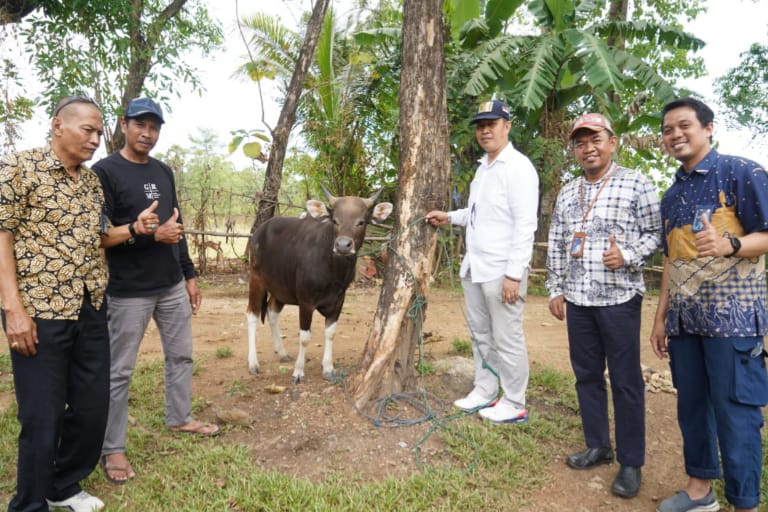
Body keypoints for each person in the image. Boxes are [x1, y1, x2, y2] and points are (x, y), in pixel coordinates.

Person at [0, 96, 159, 512]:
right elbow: (2, 235)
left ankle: (64, 485)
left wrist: (135, 228)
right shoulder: (19, 168)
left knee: (92, 408)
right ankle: (30, 503)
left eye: (98, 131)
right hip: (39, 310)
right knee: (42, 416)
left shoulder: (89, 182)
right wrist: (12, 310)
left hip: (89, 307)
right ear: (58, 125)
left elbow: (101, 237)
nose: (95, 139)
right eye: (87, 130)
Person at [93, 97, 219, 486]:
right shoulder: (104, 172)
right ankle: (112, 447)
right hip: (128, 291)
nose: (148, 133)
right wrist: (146, 233)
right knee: (120, 371)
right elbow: (101, 237)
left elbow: (174, 228)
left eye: (154, 127)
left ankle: (179, 417)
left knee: (181, 356)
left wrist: (189, 275)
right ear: (124, 126)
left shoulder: (164, 171)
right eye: (140, 125)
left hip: (170, 286)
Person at [650, 97, 768, 512]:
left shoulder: (741, 172)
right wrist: (661, 317)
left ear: (708, 128)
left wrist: (730, 244)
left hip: (733, 324)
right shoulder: (671, 196)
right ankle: (699, 491)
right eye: (668, 130)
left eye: (684, 125)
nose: (675, 135)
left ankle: (745, 504)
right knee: (692, 408)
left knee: (737, 415)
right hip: (685, 323)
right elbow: (671, 259)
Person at [545, 113, 662, 499]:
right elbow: (559, 241)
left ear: (612, 142)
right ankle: (598, 445)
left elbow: (656, 234)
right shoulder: (567, 192)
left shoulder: (635, 183)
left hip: (620, 298)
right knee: (586, 376)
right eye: (580, 142)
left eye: (595, 139)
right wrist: (554, 288)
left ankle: (631, 461)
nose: (587, 148)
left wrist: (627, 254)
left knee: (626, 381)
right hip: (577, 300)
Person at [426, 99, 539, 424]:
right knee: (481, 334)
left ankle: (515, 401)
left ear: (507, 125)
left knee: (507, 337)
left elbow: (525, 225)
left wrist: (514, 275)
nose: (485, 130)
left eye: (492, 123)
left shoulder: (518, 168)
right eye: (480, 125)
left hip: (502, 270)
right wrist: (449, 216)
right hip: (475, 266)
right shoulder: (484, 167)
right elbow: (477, 214)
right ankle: (485, 388)